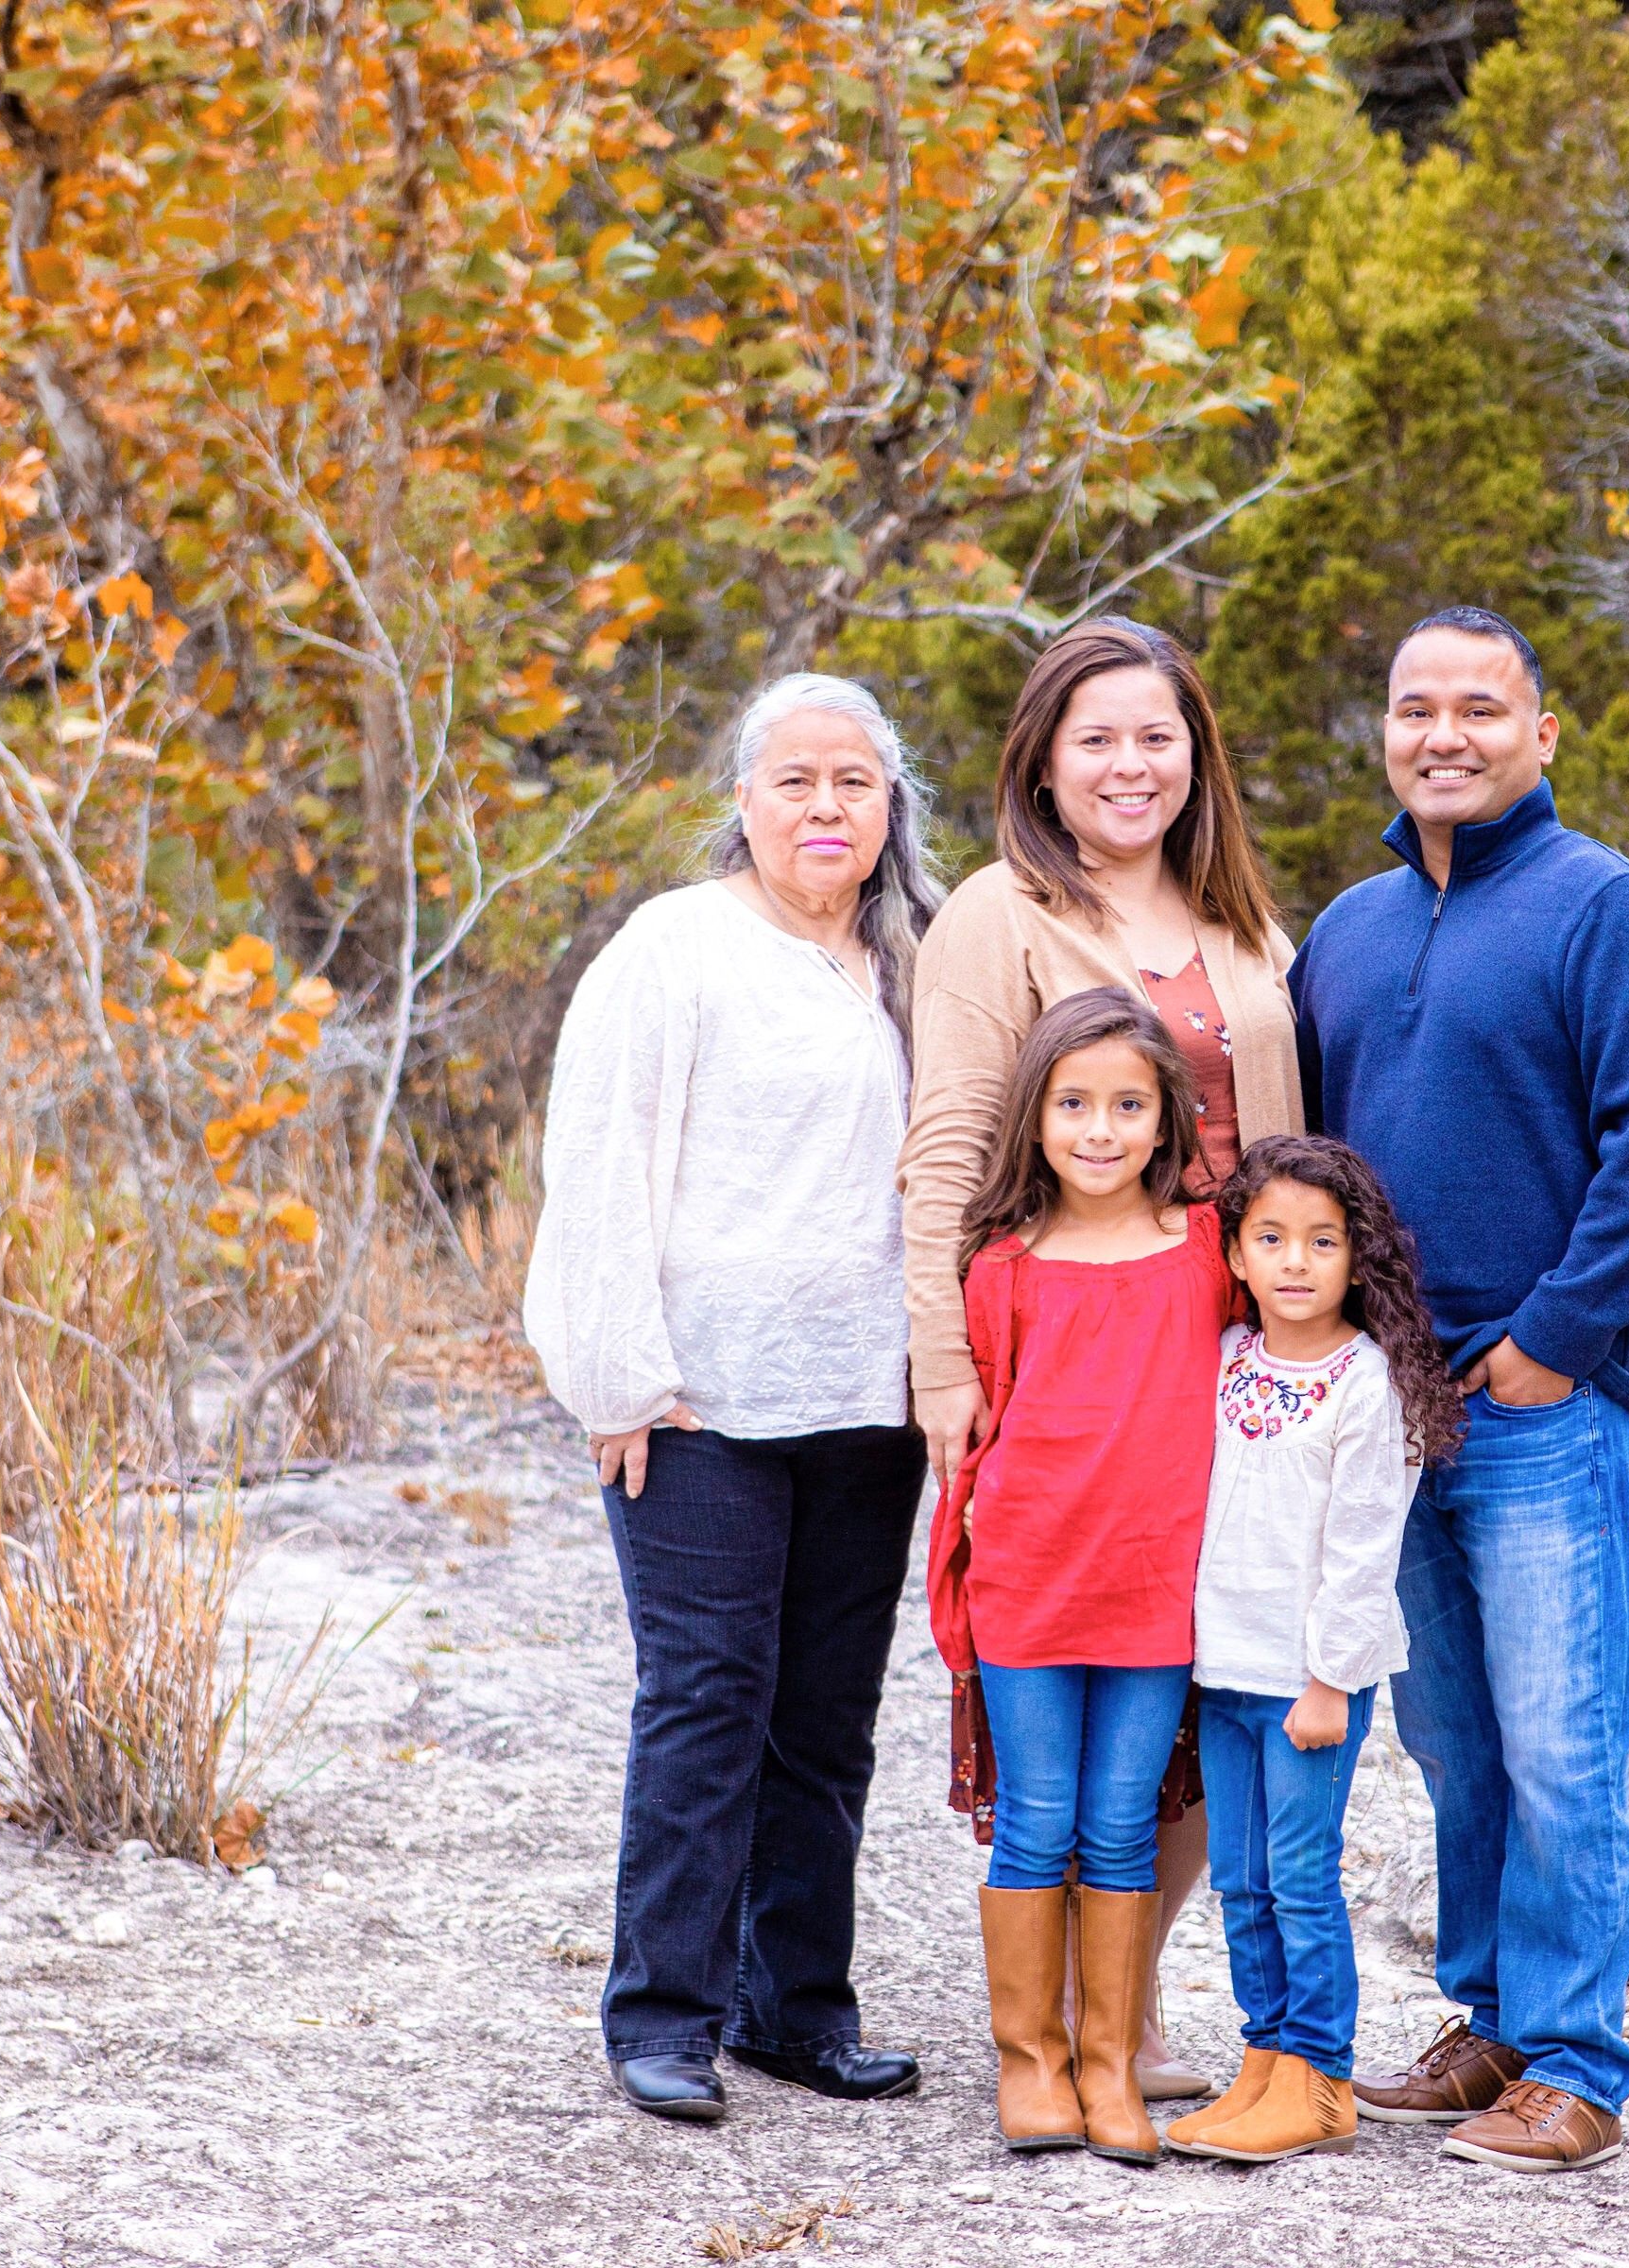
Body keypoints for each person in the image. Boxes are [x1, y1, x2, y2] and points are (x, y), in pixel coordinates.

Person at [1291, 607, 1629, 2174]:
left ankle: (1582, 2063)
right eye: (1417, 708)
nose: (1445, 735)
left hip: (1543, 1404)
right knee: (1455, 1739)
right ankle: (1491, 2027)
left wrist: (1554, 1338)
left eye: (1481, 708)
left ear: (1542, 733)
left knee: (1558, 1739)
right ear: (1386, 733)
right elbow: (1313, 1167)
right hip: (1388, 1413)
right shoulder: (1342, 931)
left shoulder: (1607, 912)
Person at [522, 674, 944, 2125]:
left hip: (867, 1403)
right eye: (797, 782)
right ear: (746, 804)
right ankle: (664, 2018)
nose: (827, 808)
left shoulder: (914, 959)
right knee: (708, 1700)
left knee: (825, 1718)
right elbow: (600, 1161)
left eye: (855, 783)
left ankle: (795, 2012)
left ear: (892, 810)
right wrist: (617, 1373)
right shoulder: (679, 947)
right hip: (701, 1402)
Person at [899, 615, 1296, 2100]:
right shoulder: (994, 918)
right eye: (1097, 740)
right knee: (1070, 1678)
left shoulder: (1244, 919)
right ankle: (1048, 2037)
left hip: (1234, 1354)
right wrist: (947, 1365)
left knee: (1197, 1679)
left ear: (1195, 757)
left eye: (1157, 736)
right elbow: (948, 1147)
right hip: (1065, 1353)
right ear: (1043, 768)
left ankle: (1115, 2021)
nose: (1131, 765)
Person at [920, 988, 1235, 2165]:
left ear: (1167, 1122)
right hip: (1030, 1578)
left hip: (1157, 1584)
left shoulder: (1210, 1251)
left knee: (1121, 1827)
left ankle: (1112, 2064)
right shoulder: (1002, 1266)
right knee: (1037, 1822)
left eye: (1127, 1106)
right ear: (1035, 1119)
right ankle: (1032, 2064)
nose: (1100, 1130)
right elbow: (988, 1429)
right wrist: (962, 1575)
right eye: (1073, 1105)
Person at [1161, 1135, 1464, 2166]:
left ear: (1355, 1257)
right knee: (1240, 1880)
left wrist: (1330, 1680)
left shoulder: (1364, 1387)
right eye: (1272, 1238)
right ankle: (1266, 2060)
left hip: (1308, 1682)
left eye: (1322, 1241)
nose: (1296, 1261)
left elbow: (1362, 1547)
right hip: (1225, 1669)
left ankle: (1322, 2079)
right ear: (1236, 1255)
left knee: (1299, 1876)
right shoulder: (1226, 1360)